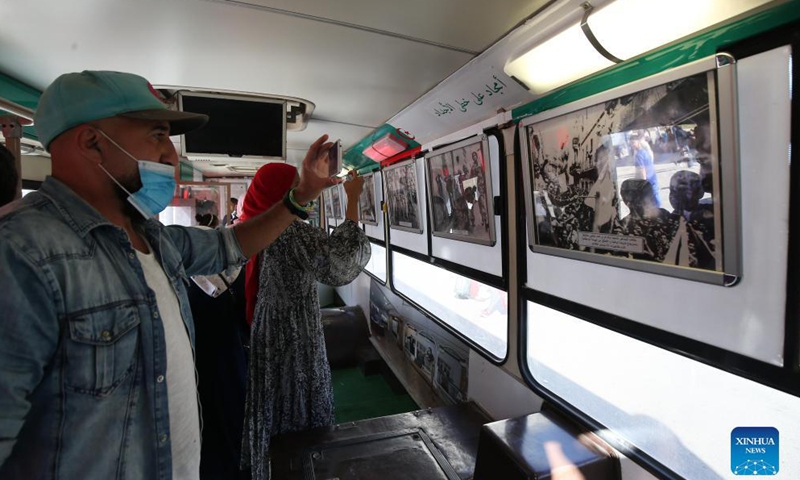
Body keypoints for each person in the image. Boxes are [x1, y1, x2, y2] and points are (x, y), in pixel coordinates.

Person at [0, 70, 336, 480]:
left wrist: (301, 196)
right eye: (157, 135)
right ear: (92, 143)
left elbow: (233, 245)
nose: (172, 156)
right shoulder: (20, 255)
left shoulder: (154, 238)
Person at [239, 163, 370, 480]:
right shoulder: (288, 230)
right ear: (283, 194)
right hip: (293, 338)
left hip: (266, 333)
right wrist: (352, 200)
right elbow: (341, 264)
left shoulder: (251, 225)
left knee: (271, 411)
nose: (303, 195)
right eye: (297, 188)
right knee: (298, 414)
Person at [630, 131, 661, 207]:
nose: (632, 145)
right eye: (631, 144)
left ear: (638, 142)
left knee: (650, 202)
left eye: (633, 143)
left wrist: (642, 183)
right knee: (656, 197)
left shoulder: (639, 155)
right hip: (653, 178)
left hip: (647, 180)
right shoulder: (645, 152)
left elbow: (642, 170)